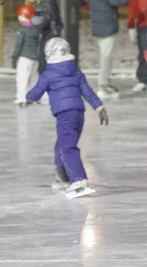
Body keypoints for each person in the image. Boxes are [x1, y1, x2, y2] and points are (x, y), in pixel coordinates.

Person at [26, 38, 109, 199]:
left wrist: (27, 96)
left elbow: (35, 94)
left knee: (68, 147)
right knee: (61, 146)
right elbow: (88, 92)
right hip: (78, 114)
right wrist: (99, 107)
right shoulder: (76, 71)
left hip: (64, 115)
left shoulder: (48, 74)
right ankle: (62, 179)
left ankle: (79, 180)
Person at [83, 0, 147, 99]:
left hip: (97, 25)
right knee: (106, 57)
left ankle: (105, 84)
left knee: (105, 55)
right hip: (107, 26)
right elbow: (116, 0)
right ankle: (102, 85)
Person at [20, 0, 63, 73]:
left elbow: (49, 15)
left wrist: (36, 19)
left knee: (45, 60)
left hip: (51, 32)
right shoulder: (36, 1)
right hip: (44, 32)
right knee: (42, 60)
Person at [11, 4, 41, 107]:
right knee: (34, 78)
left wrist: (14, 57)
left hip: (24, 57)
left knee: (22, 78)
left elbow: (19, 45)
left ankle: (22, 98)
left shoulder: (22, 30)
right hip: (35, 57)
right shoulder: (36, 29)